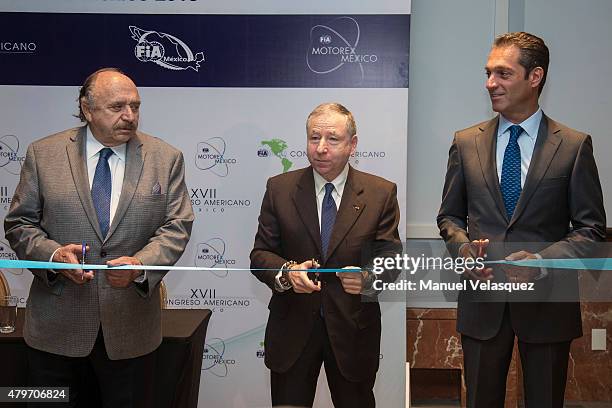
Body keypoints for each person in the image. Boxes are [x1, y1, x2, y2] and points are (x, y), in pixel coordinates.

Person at [4, 67, 194, 407]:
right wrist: (52, 256)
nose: (130, 116)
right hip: (55, 333)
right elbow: (20, 223)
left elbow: (177, 226)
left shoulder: (166, 159)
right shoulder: (43, 154)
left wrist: (140, 265)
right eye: (117, 106)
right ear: (87, 109)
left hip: (130, 335)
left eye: (135, 106)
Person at [437, 32, 606, 407]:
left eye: (503, 73)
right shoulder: (466, 142)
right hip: (483, 306)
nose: (490, 83)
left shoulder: (574, 146)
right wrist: (464, 250)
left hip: (548, 307)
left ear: (535, 77)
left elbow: (590, 228)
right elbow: (449, 215)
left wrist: (543, 262)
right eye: (488, 73)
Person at [250, 102, 401, 408]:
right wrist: (288, 273)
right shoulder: (280, 189)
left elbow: (391, 255)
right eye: (313, 138)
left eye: (332, 139)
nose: (320, 148)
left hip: (353, 332)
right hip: (292, 330)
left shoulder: (380, 193)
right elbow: (260, 255)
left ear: (352, 144)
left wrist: (369, 278)